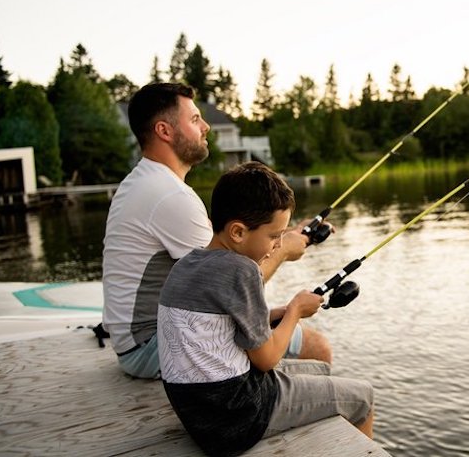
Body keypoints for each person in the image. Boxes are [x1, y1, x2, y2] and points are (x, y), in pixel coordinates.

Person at [102, 82, 331, 379]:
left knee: (278, 326)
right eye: (195, 119)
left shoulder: (145, 182)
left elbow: (226, 259)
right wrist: (284, 249)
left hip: (138, 340)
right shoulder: (170, 196)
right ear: (164, 131)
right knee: (316, 346)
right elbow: (229, 282)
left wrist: (282, 235)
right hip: (150, 346)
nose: (206, 126)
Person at [158, 161, 374, 456]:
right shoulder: (241, 270)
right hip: (238, 417)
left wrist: (273, 314)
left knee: (320, 370)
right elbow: (267, 360)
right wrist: (295, 310)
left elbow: (221, 325)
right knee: (363, 398)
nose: (277, 245)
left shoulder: (187, 265)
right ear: (237, 232)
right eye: (274, 236)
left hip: (201, 413)